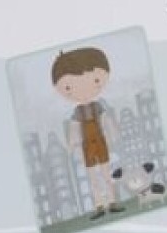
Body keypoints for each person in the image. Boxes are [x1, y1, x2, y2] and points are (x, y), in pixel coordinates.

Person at [52, 46, 122, 217]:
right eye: (69, 87)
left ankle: (112, 202)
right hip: (87, 147)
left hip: (100, 142)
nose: (83, 90)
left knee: (106, 173)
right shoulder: (77, 113)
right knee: (93, 177)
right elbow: (74, 129)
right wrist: (71, 145)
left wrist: (113, 135)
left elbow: (106, 121)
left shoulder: (98, 107)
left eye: (95, 81)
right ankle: (99, 205)